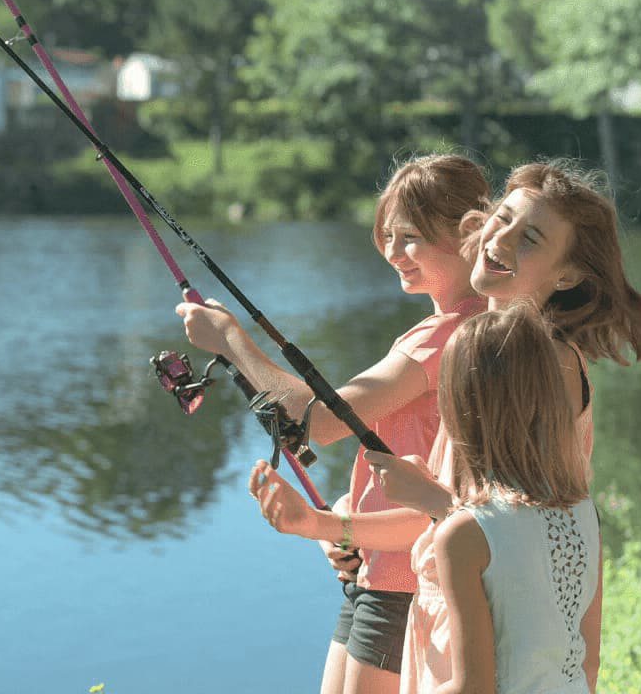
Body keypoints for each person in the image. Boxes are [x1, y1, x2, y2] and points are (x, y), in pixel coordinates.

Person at [362, 160, 641, 692]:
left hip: (495, 639)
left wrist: (435, 504)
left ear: (568, 275)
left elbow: (529, 528)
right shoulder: (486, 348)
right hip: (451, 617)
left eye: (530, 237)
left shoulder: (546, 363)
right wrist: (346, 527)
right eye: (503, 217)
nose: (501, 238)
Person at [178, 154, 489, 694]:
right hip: (380, 568)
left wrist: (231, 341)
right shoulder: (463, 328)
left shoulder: (443, 339)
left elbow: (317, 423)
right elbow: (421, 455)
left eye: (410, 237)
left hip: (406, 581)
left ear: (467, 235)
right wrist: (347, 518)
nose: (393, 252)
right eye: (387, 236)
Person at [431, 302, 602, 694]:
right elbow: (589, 662)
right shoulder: (584, 509)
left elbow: (473, 688)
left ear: (460, 405)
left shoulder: (464, 534)